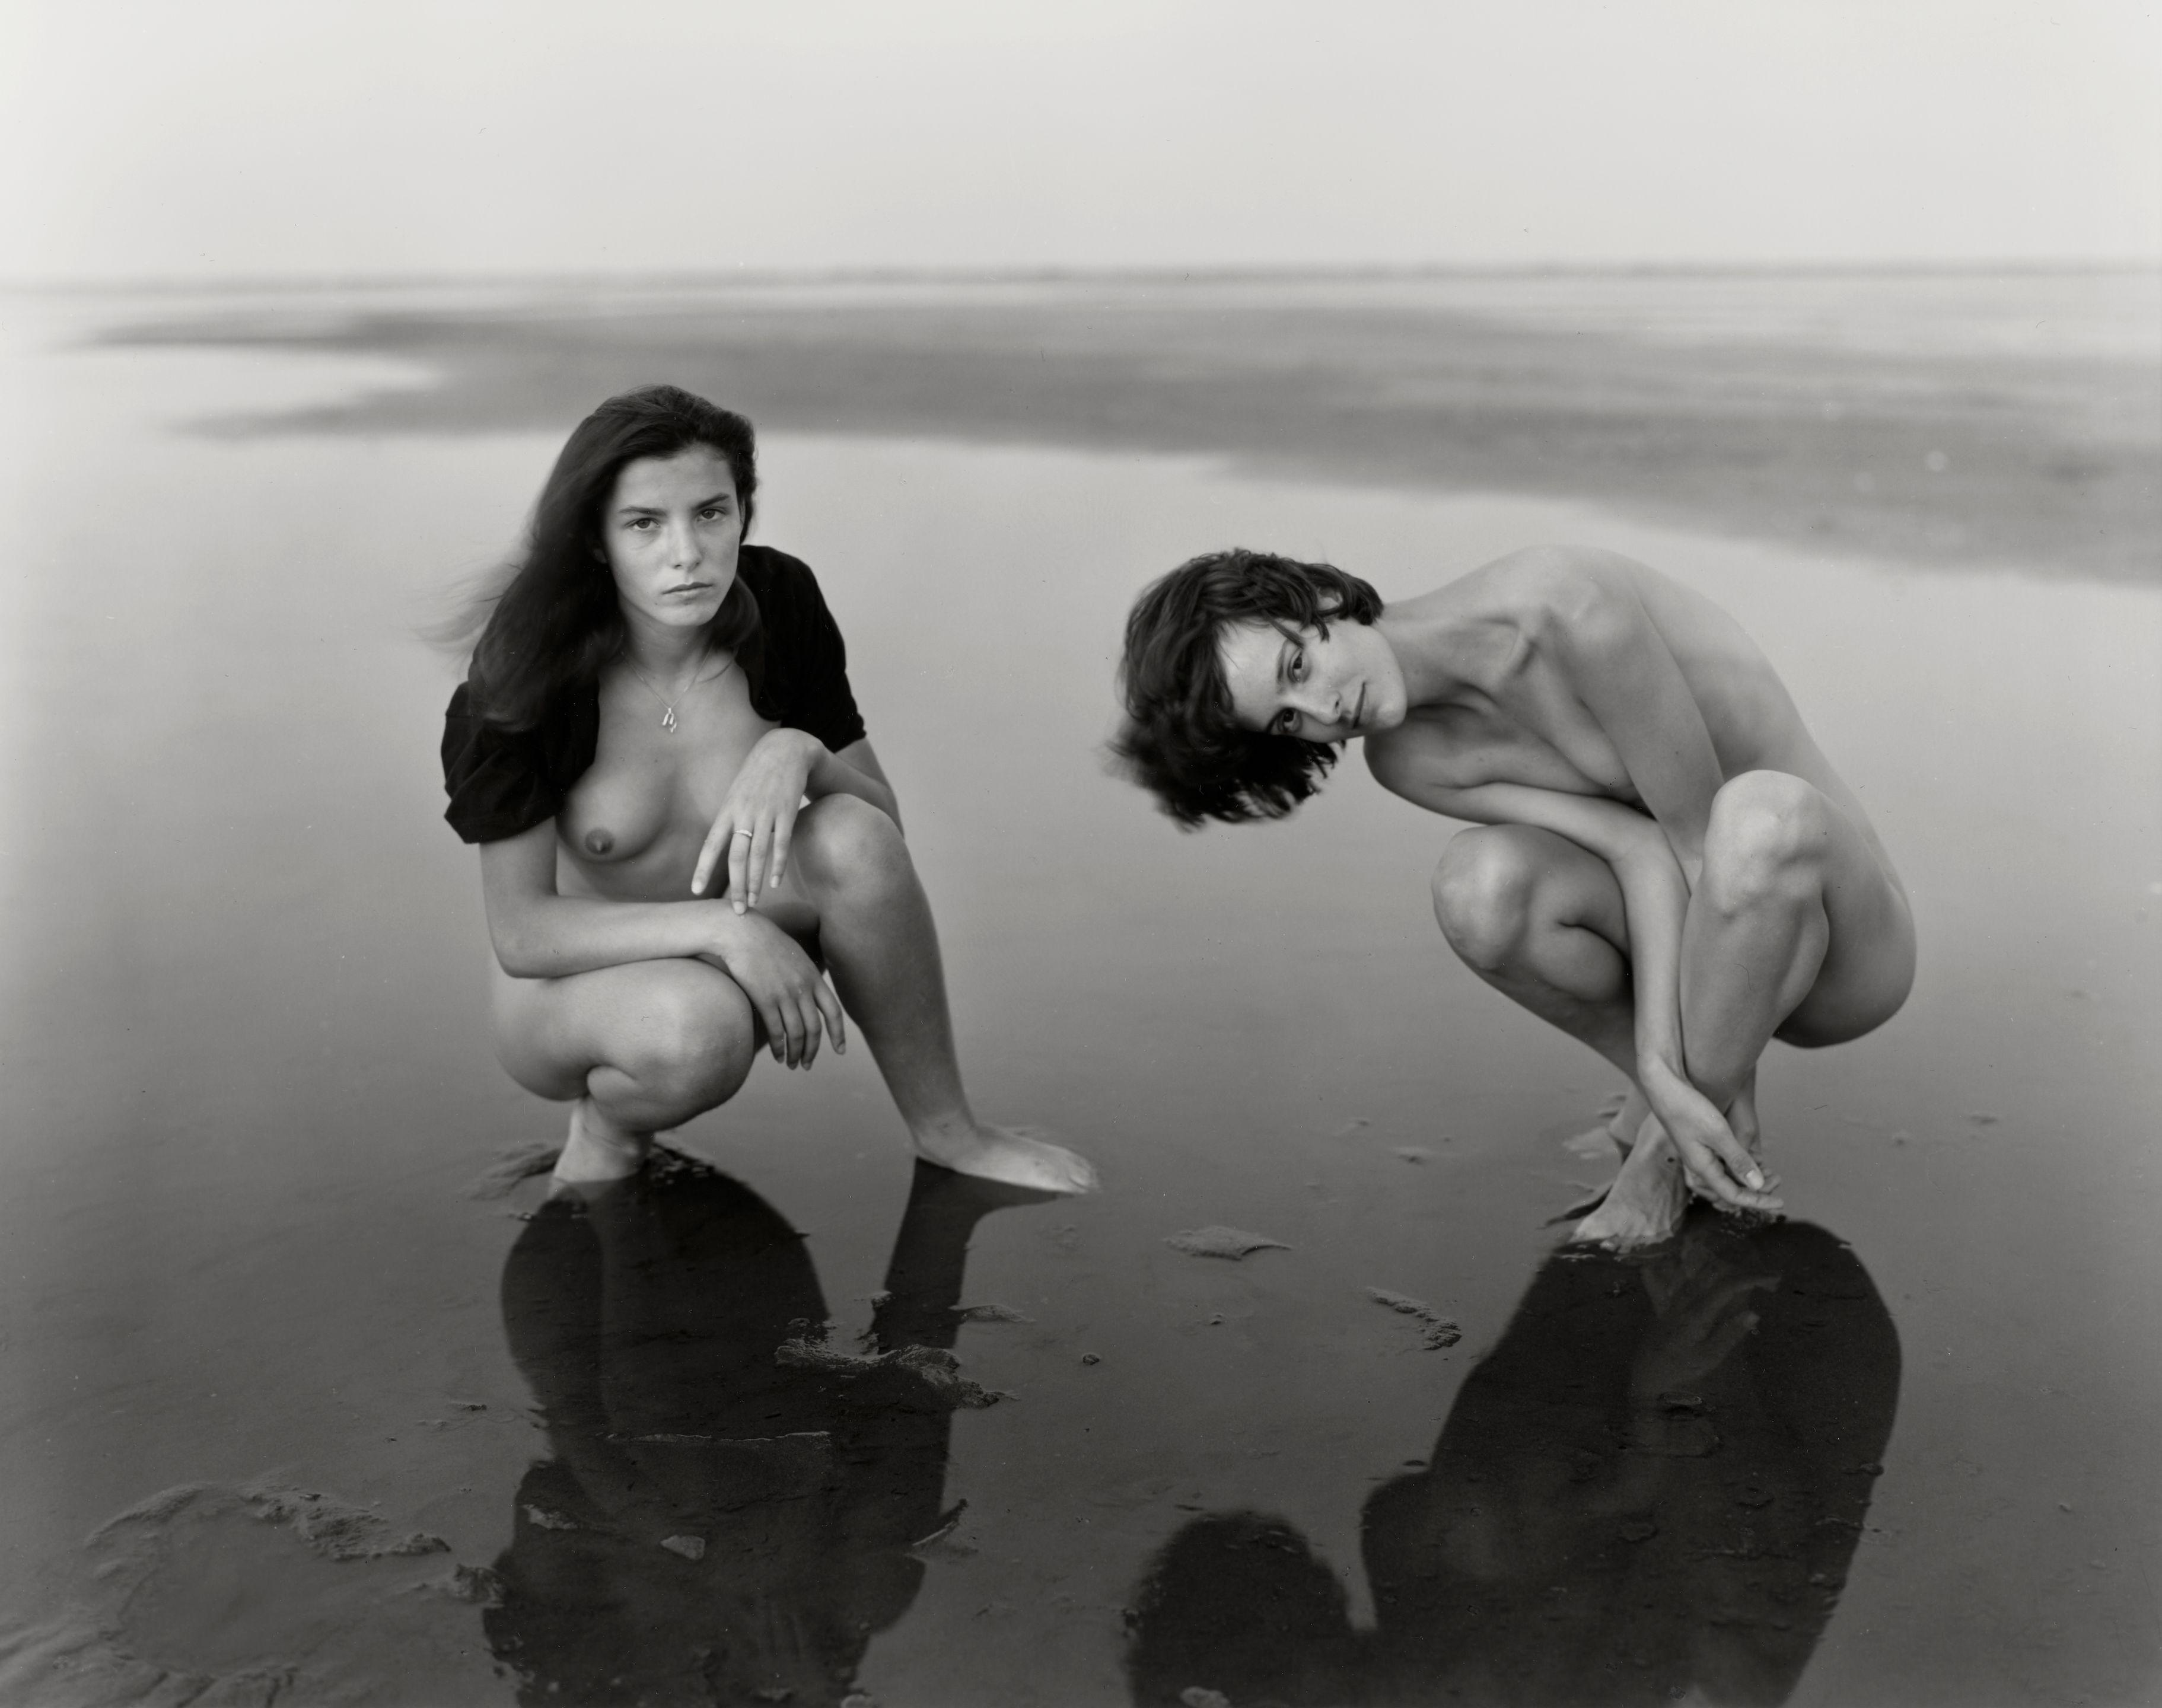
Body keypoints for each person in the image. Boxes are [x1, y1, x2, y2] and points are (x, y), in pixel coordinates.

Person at [1115, 544, 1913, 1244]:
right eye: (1285, 723)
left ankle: (1667, 1153)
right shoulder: (1405, 760)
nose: (1324, 711)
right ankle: (1679, 1104)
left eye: (1296, 666)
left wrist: (1664, 1129)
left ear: (1316, 600)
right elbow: (1635, 847)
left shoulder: (1564, 604)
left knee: (1751, 819)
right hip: (1711, 951)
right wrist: (1655, 1065)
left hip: (1839, 948)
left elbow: (1705, 854)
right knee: (1477, 887)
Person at [441, 384, 1093, 1193]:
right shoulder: (525, 676)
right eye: (645, 523)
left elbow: (879, 835)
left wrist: (801, 752)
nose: (687, 553)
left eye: (711, 513)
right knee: (695, 1030)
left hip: (754, 940)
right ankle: (607, 1126)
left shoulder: (780, 605)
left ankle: (947, 1132)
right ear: (597, 540)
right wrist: (725, 931)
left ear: (743, 513)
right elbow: (523, 935)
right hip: (580, 994)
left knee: (848, 834)